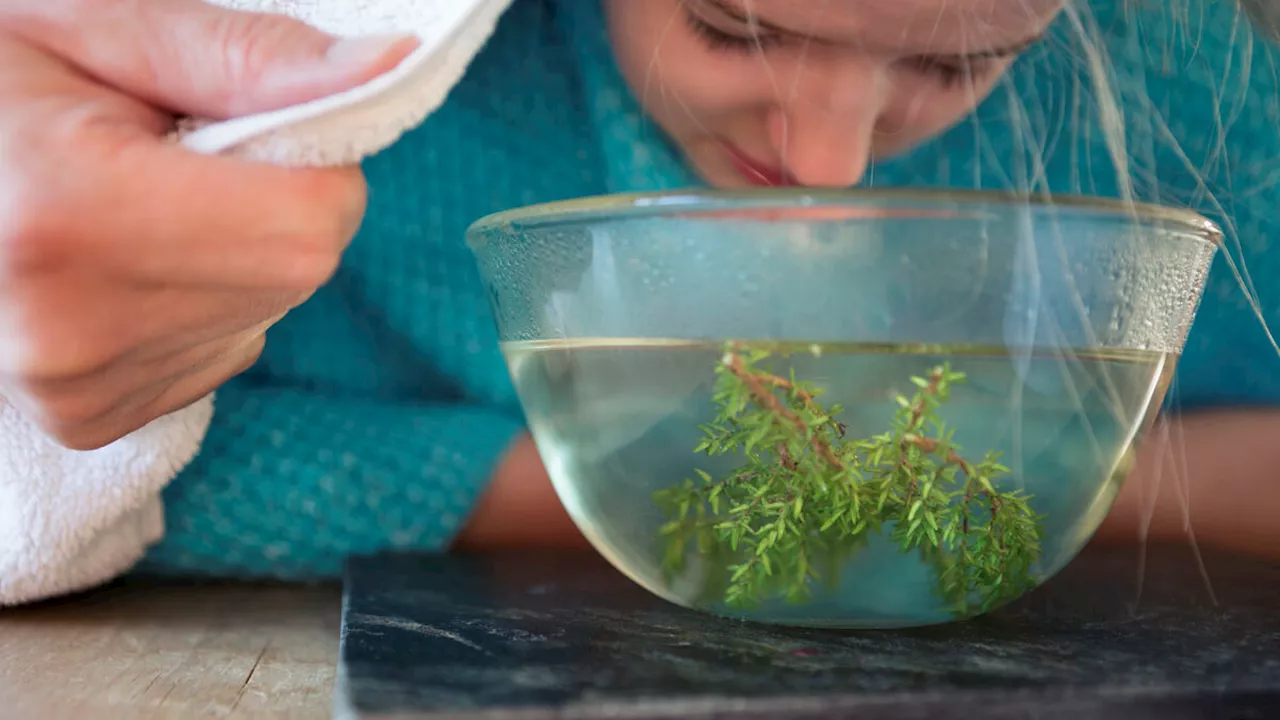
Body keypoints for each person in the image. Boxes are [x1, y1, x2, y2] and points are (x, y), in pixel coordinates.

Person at [0, 0, 1277, 598]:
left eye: (957, 65)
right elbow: (124, 479)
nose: (826, 162)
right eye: (732, 29)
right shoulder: (392, 117)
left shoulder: (1171, 96)